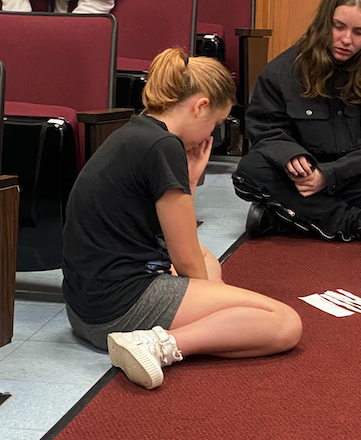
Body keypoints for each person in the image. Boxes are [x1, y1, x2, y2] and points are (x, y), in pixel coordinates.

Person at [62, 48, 302, 390]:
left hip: (83, 310)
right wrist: (217, 306)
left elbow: (158, 227)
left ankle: (195, 328)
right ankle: (157, 344)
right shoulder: (163, 146)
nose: (210, 137)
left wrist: (187, 183)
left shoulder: (138, 129)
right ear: (200, 106)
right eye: (216, 124)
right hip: (115, 314)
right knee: (284, 322)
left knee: (208, 259)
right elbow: (184, 257)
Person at [232, 0, 361, 244]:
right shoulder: (284, 68)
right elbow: (265, 127)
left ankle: (283, 216)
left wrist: (330, 176)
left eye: (359, 32)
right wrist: (289, 155)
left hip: (355, 170)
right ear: (325, 21)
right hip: (302, 172)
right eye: (338, 27)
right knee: (251, 169)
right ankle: (360, 224)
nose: (346, 40)